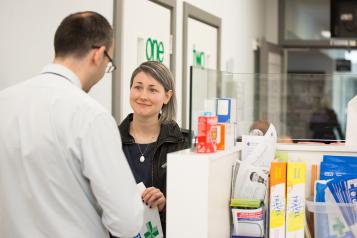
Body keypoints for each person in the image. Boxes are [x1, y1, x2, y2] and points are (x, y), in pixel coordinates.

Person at [0, 11, 143, 238]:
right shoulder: (90, 116)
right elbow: (126, 221)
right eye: (109, 63)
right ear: (98, 55)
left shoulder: (4, 102)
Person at [118, 61, 190, 234]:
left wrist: (165, 204)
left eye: (152, 90)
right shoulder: (110, 140)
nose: (143, 96)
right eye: (138, 87)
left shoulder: (185, 143)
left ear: (167, 96)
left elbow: (194, 203)